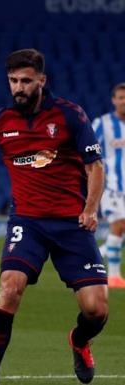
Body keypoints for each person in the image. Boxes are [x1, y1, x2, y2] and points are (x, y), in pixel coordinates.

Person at [0, 49, 108, 385]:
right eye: (13, 81)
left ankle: (79, 340)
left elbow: (95, 166)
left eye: (26, 81)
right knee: (9, 287)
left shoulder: (70, 115)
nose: (19, 87)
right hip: (27, 223)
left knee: (96, 310)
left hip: (71, 223)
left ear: (42, 81)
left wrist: (90, 208)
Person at [92, 83, 125, 289]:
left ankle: (100, 253)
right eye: (120, 97)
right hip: (112, 185)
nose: (123, 101)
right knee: (119, 225)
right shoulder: (102, 123)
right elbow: (89, 149)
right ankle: (113, 277)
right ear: (113, 100)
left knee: (121, 230)